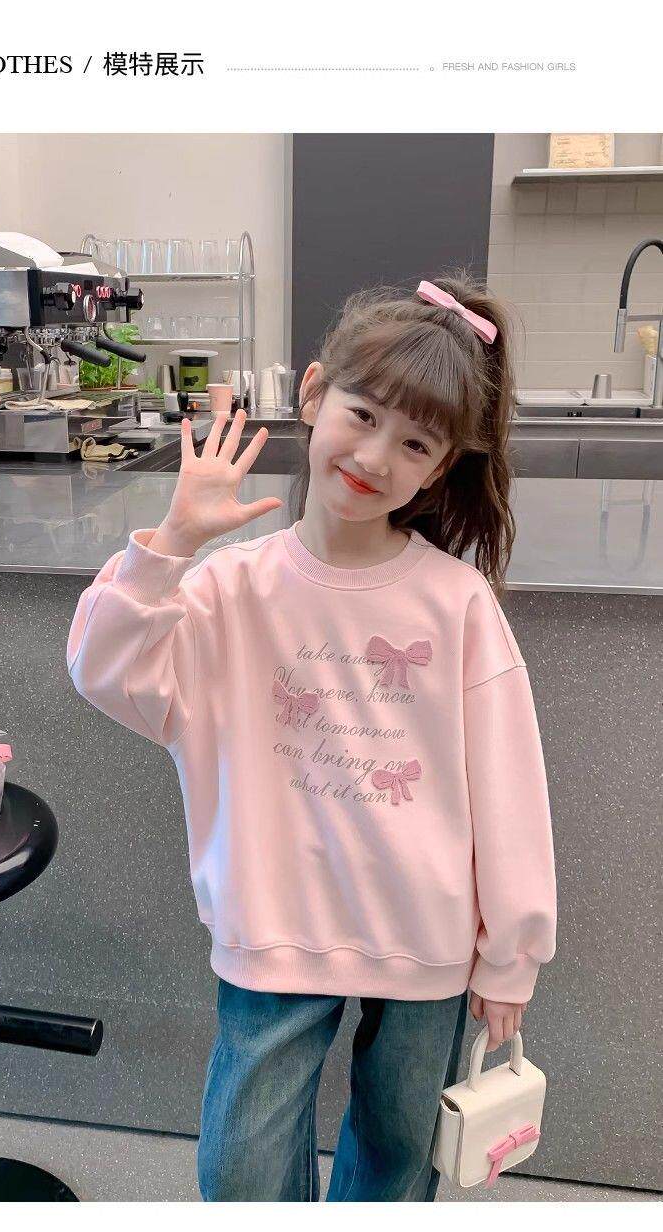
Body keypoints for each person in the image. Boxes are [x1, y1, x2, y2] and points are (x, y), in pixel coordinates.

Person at [66, 271, 557, 1202]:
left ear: (439, 469)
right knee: (242, 1171)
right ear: (313, 393)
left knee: (397, 1152)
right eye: (363, 415)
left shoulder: (455, 603)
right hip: (275, 923)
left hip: (425, 935)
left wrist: (511, 954)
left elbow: (509, 789)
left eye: (415, 442)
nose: (376, 456)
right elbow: (105, 672)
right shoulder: (227, 589)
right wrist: (171, 544)